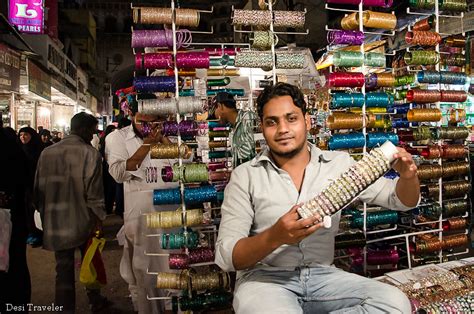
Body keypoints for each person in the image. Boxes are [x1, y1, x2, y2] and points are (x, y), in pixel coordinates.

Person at [215, 83, 420, 314]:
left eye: (291, 118)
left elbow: (400, 200)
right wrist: (275, 236)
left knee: (395, 303)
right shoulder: (245, 176)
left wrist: (408, 176)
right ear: (262, 127)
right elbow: (228, 257)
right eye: (272, 122)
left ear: (308, 121)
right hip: (265, 279)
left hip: (324, 277)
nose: (283, 129)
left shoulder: (339, 165)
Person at [33, 112, 109, 313]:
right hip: (83, 219)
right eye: (92, 131)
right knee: (90, 261)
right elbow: (94, 194)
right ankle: (95, 299)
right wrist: (98, 219)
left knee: (63, 269)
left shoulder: (47, 153)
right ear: (83, 130)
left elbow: (37, 190)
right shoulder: (90, 153)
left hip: (56, 219)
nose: (93, 136)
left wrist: (44, 213)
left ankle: (64, 308)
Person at [106, 110, 180, 313]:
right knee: (144, 276)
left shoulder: (171, 139)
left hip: (172, 218)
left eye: (154, 122)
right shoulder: (118, 138)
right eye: (142, 122)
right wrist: (147, 144)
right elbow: (120, 173)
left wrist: (163, 139)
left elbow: (185, 167)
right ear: (132, 118)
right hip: (141, 220)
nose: (148, 127)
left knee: (175, 274)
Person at [0, 126, 31, 313]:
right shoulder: (13, 147)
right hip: (16, 218)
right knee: (15, 265)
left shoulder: (8, 148)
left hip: (9, 220)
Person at [209, 92, 257, 168]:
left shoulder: (248, 118)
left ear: (220, 106)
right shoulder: (232, 130)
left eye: (214, 113)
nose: (215, 118)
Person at [18, 126, 44, 247]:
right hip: (24, 187)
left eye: (26, 135)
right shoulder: (18, 149)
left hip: (36, 186)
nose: (23, 137)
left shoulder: (39, 151)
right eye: (21, 135)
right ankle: (31, 233)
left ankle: (38, 234)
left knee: (35, 210)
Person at [99, 125, 117, 215]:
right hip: (108, 165)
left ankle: (108, 207)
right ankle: (108, 207)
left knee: (109, 187)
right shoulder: (108, 139)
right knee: (109, 187)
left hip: (107, 165)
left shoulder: (105, 139)